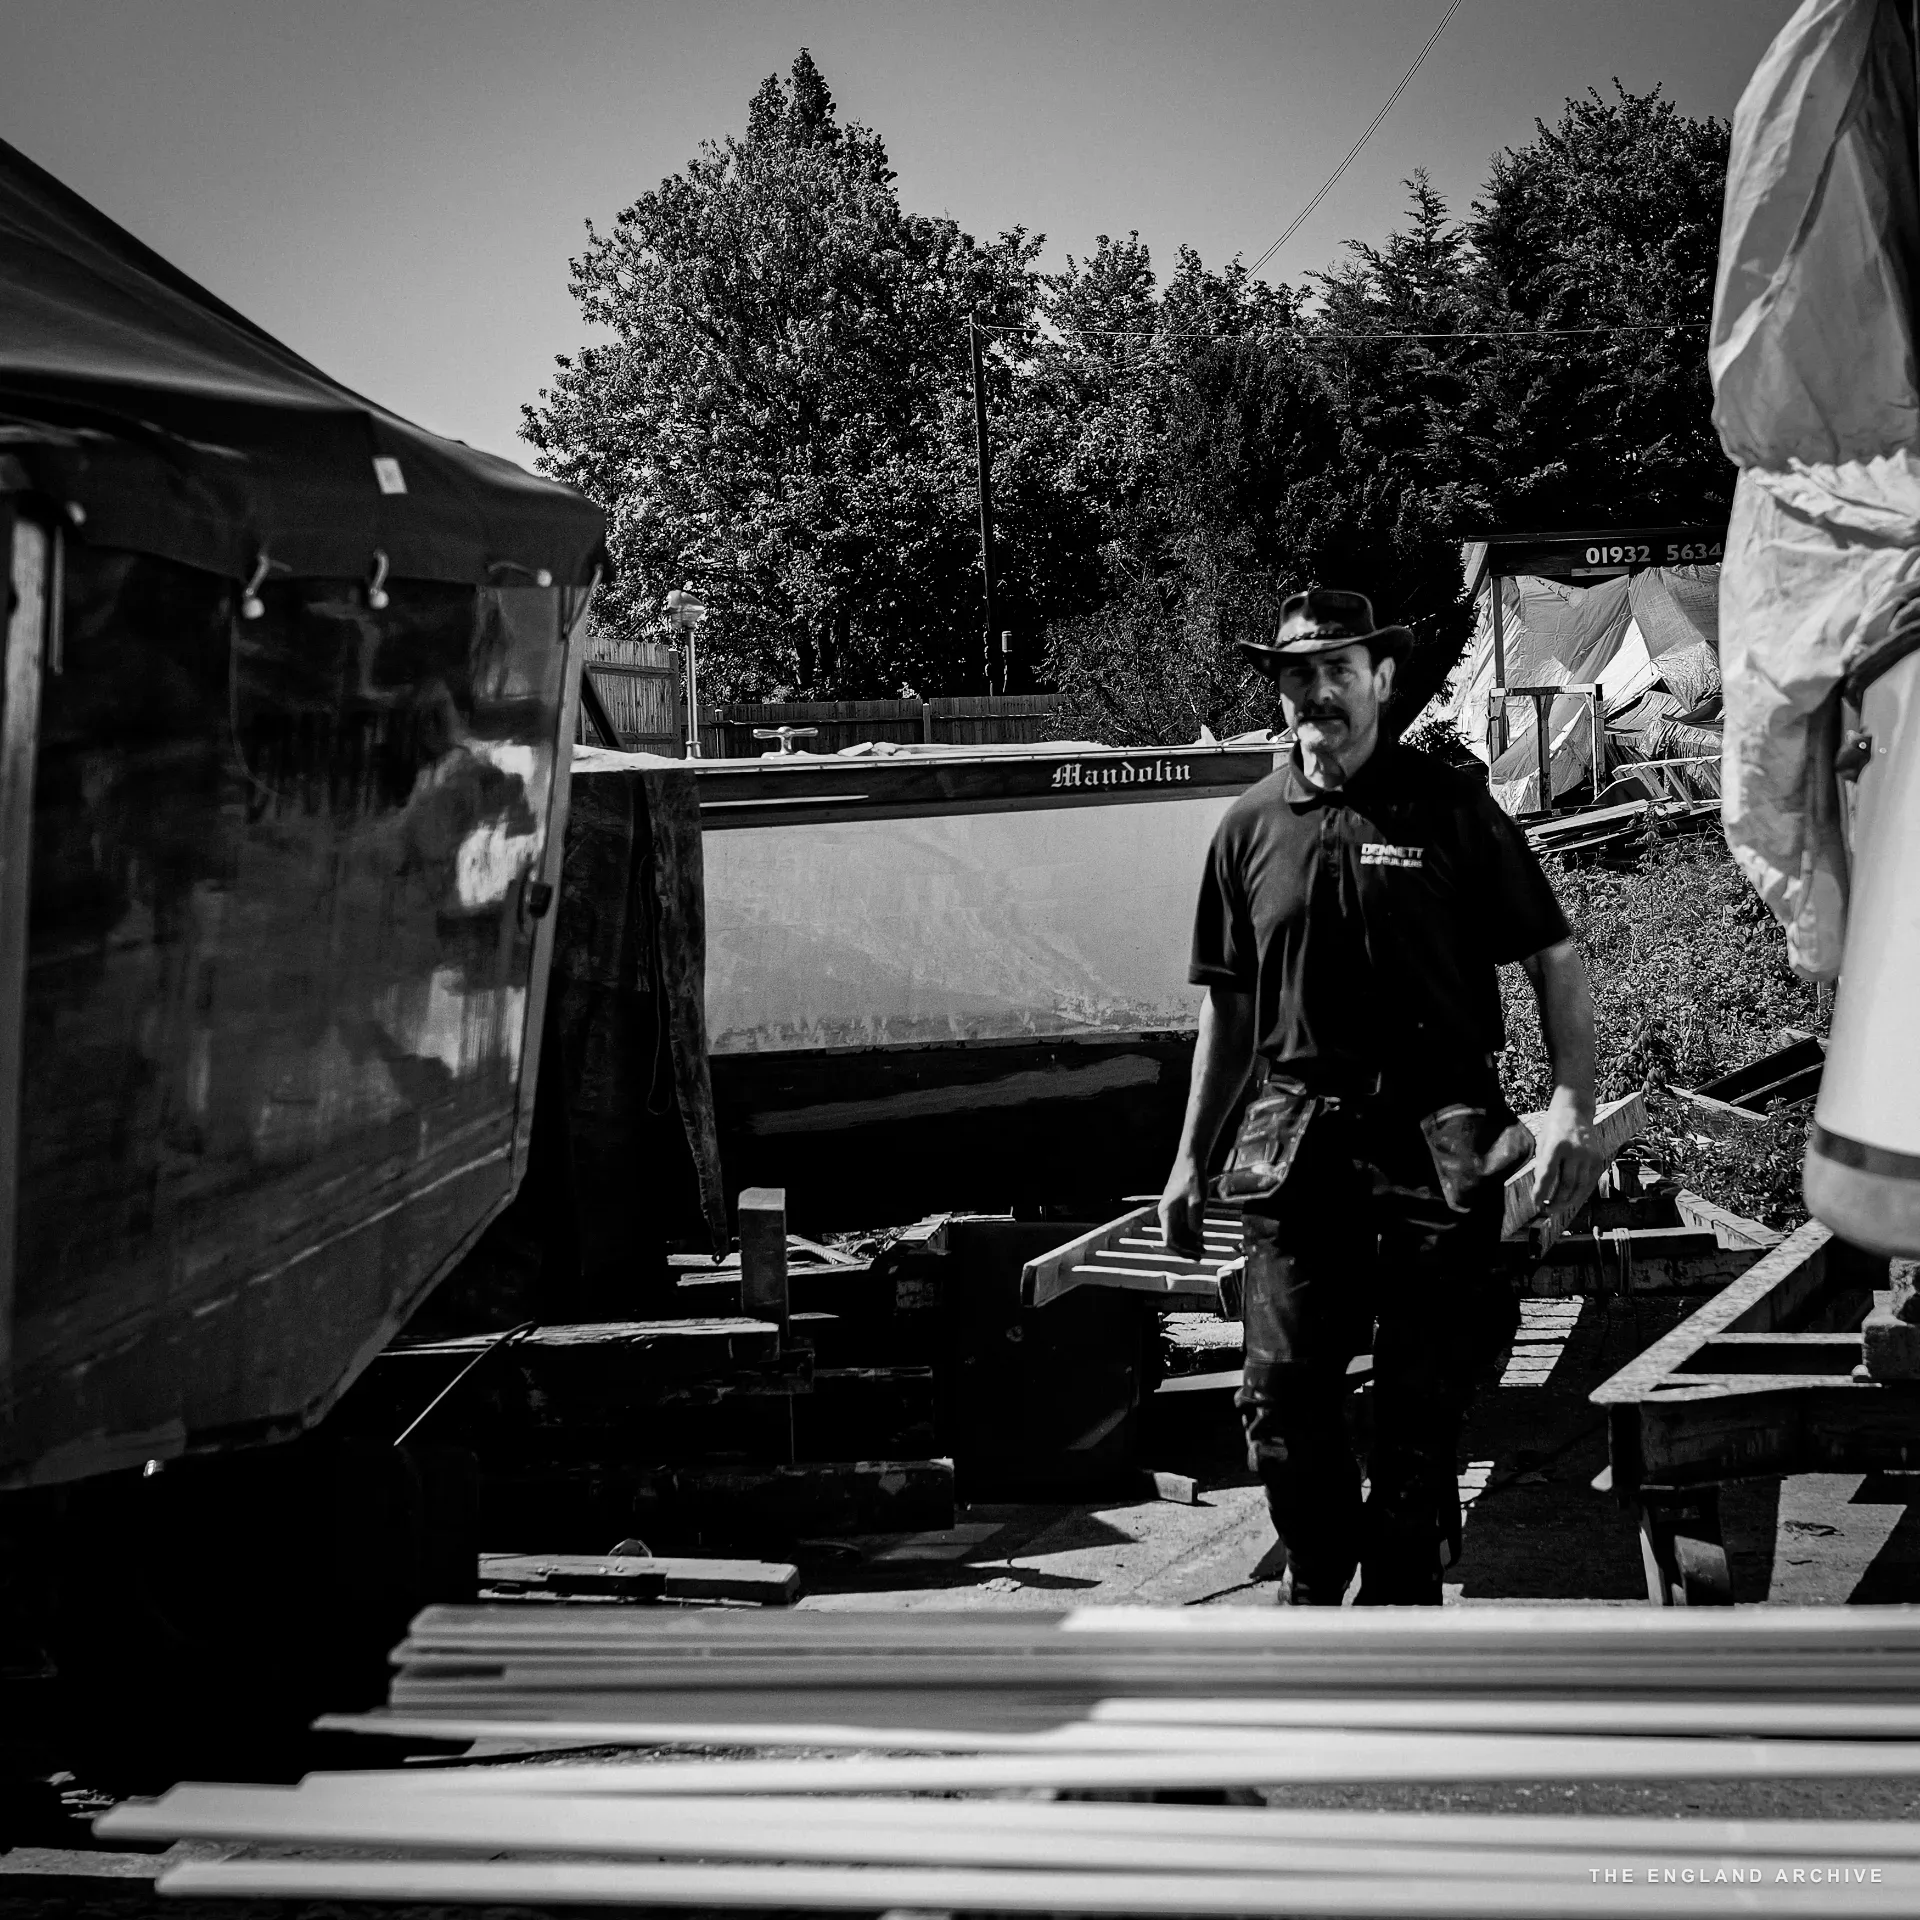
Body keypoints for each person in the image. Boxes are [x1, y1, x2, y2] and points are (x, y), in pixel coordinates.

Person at [1158, 587, 1604, 1605]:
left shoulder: (1449, 808)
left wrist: (1571, 1104)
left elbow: (1555, 957)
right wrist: (1188, 1161)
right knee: (1278, 1396)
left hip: (1438, 1132)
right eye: (1298, 674)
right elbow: (1227, 1014)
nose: (1319, 692)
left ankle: (1401, 1604)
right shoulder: (1247, 829)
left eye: (1340, 672)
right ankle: (1318, 1579)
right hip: (1294, 1139)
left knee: (1422, 1404)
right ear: (1278, 690)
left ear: (1382, 682)